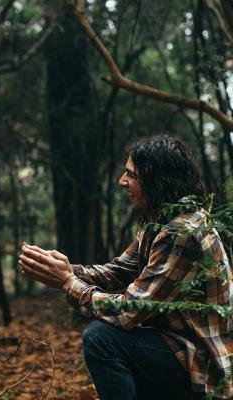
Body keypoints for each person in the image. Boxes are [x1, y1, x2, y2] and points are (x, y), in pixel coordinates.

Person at [19, 135, 233, 400]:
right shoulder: (158, 221)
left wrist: (66, 283)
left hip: (202, 370)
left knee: (101, 338)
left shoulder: (181, 232)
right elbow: (118, 270)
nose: (122, 181)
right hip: (175, 352)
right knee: (112, 337)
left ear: (158, 179)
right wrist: (66, 269)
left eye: (131, 175)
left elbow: (129, 311)